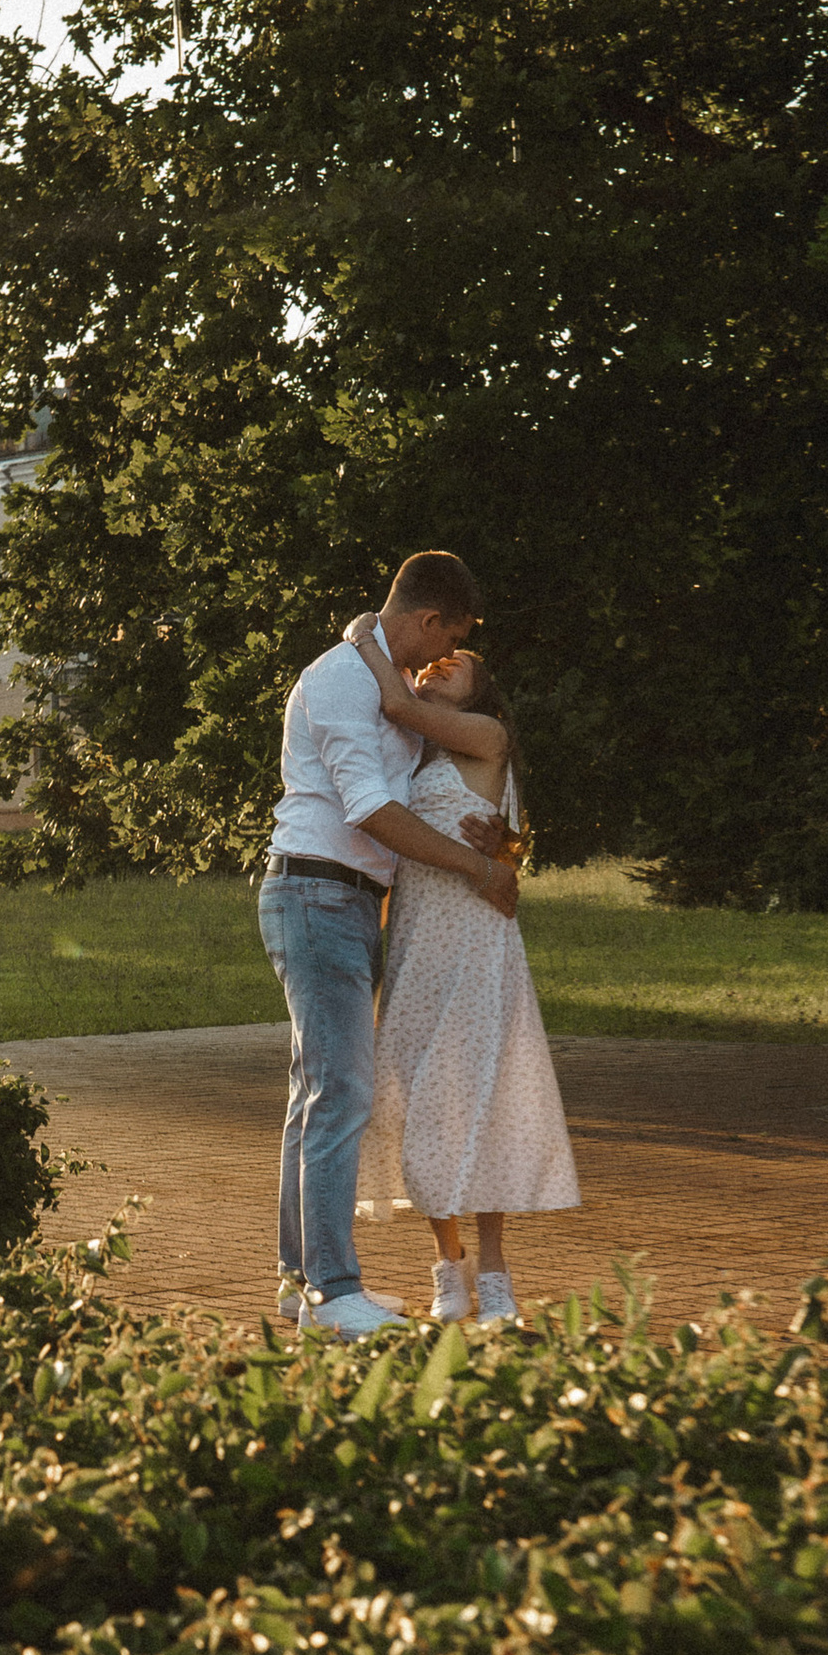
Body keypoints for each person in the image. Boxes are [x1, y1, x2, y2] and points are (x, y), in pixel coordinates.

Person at [259, 551, 517, 1338]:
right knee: (340, 1096)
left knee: (316, 1097)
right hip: (316, 891)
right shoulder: (341, 680)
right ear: (431, 617)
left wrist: (501, 841)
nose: (439, 659)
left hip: (345, 902)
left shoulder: (381, 683)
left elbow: (427, 776)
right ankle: (333, 1295)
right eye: (447, 638)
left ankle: (299, 1282)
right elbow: (370, 807)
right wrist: (478, 867)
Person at [346, 615, 579, 1326]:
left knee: (485, 1099)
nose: (441, 664)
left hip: (479, 943)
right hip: (418, 943)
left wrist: (363, 644)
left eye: (460, 661)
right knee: (420, 1104)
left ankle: (497, 1269)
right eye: (434, 660)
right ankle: (447, 1266)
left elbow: (395, 703)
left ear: (484, 692)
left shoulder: (488, 739)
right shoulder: (407, 757)